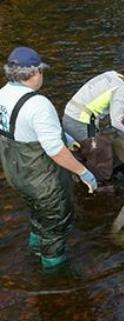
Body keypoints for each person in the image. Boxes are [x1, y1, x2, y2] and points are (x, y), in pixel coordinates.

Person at [0, 47, 97, 271]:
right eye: (41, 72)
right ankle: (53, 274)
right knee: (56, 222)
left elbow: (23, 129)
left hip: (16, 175)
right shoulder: (38, 104)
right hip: (41, 179)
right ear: (34, 74)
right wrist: (83, 172)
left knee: (37, 213)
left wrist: (65, 135)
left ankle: (34, 250)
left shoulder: (2, 95)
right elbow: (55, 150)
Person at [62, 68, 124, 187]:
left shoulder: (113, 76)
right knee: (99, 158)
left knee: (83, 152)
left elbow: (123, 105)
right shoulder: (122, 89)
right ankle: (99, 187)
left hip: (70, 116)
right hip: (80, 122)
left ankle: (78, 178)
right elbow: (117, 123)